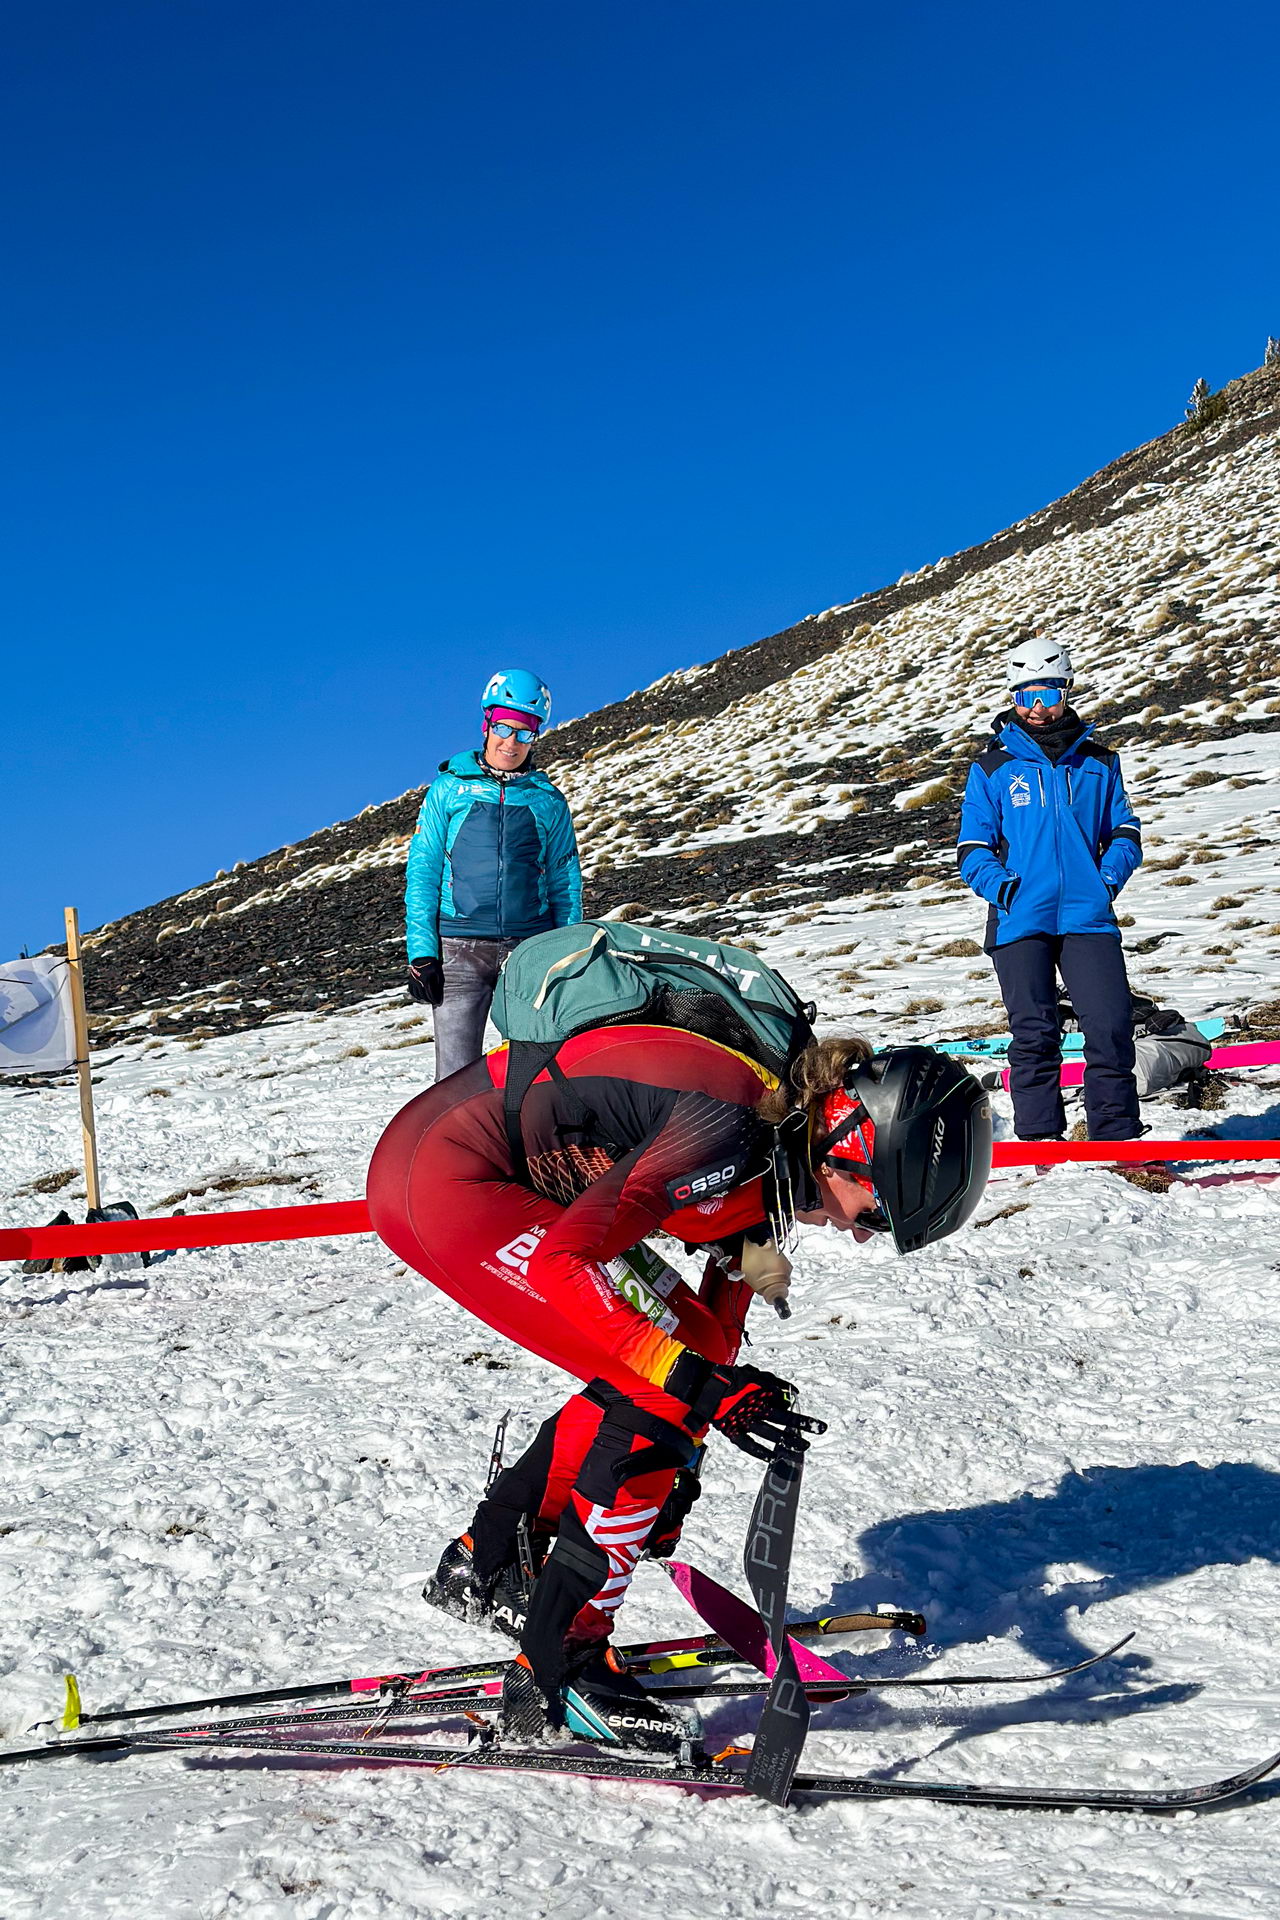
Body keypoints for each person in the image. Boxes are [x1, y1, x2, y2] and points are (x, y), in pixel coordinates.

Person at [366, 1019, 990, 1751]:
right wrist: (698, 1396)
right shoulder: (726, 1133)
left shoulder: (777, 1132)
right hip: (445, 1182)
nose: (861, 1232)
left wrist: (707, 1396)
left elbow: (726, 1283)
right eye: (876, 1211)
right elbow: (563, 1267)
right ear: (848, 1149)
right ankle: (559, 1669)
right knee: (660, 1380)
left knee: (682, 1362)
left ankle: (495, 1554)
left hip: (472, 1166)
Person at [956, 634, 1144, 1142]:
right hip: (1020, 920)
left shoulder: (1099, 763)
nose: (1037, 707)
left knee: (1108, 1027)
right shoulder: (992, 767)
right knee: (1034, 1034)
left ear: (1067, 690)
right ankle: (1041, 1140)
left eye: (1047, 693)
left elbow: (1125, 831)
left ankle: (1118, 1135)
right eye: (1025, 696)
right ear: (1011, 698)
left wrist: (1106, 882)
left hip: (1088, 916)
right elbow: (972, 849)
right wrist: (1006, 890)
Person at [404, 669, 582, 1080]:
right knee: (453, 1077)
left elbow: (564, 881)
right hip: (458, 951)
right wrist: (422, 953)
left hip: (530, 952)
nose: (512, 741)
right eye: (504, 726)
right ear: (487, 723)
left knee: (538, 1072)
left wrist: (570, 954)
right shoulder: (449, 788)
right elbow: (423, 872)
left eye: (525, 733)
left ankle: (533, 1145)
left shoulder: (548, 801)